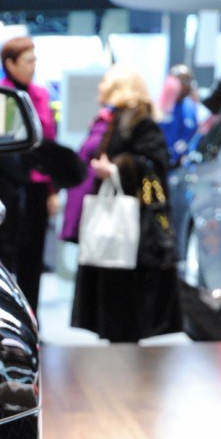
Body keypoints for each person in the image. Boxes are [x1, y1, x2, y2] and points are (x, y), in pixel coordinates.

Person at [68, 64, 183, 343]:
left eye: (106, 81)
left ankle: (123, 350)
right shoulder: (118, 118)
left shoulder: (139, 121)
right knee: (116, 293)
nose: (100, 86)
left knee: (125, 299)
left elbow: (154, 163)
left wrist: (117, 167)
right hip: (121, 223)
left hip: (133, 227)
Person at [0, 35, 59, 315]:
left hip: (37, 186)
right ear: (11, 64)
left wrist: (52, 191)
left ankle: (32, 320)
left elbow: (49, 143)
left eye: (34, 60)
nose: (33, 66)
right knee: (4, 254)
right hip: (6, 184)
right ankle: (6, 318)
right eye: (28, 61)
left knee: (33, 256)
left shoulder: (41, 94)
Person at [157, 64, 199, 167]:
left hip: (182, 166)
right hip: (160, 163)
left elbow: (195, 136)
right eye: (182, 80)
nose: (186, 84)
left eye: (188, 80)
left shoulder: (191, 108)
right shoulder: (160, 106)